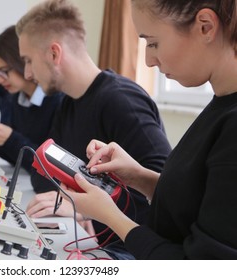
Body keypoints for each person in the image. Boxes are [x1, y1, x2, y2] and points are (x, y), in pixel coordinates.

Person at [61, 0, 237, 259]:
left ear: (205, 27)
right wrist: (139, 177)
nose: (148, 60)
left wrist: (111, 216)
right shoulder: (221, 104)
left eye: (153, 43)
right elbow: (201, 205)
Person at [16, 0, 172, 257]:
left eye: (28, 60)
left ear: (54, 54)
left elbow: (168, 200)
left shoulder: (121, 101)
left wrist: (85, 209)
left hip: (141, 252)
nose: (27, 73)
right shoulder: (69, 103)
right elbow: (42, 175)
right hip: (107, 243)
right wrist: (75, 204)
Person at [0, 25, 63, 172]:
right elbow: (14, 155)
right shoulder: (15, 97)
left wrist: (10, 138)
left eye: (4, 72)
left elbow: (53, 166)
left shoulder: (58, 100)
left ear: (22, 61)